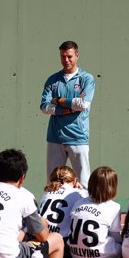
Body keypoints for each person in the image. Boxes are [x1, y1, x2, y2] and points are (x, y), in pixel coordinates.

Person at [40, 40, 95, 188]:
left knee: (83, 182)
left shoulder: (86, 79)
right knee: (53, 182)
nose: (66, 60)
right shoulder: (53, 80)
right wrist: (69, 108)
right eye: (63, 56)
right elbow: (45, 106)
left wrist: (59, 100)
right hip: (55, 137)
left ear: (77, 55)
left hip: (78, 137)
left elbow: (83, 104)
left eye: (69, 56)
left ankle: (84, 210)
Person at [67, 166, 122, 258]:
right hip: (99, 257)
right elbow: (117, 237)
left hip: (75, 255)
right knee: (126, 247)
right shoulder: (114, 207)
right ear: (113, 187)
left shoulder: (78, 203)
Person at [39, 165, 87, 239]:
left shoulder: (46, 193)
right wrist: (81, 189)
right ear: (75, 181)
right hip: (62, 239)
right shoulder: (78, 193)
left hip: (42, 235)